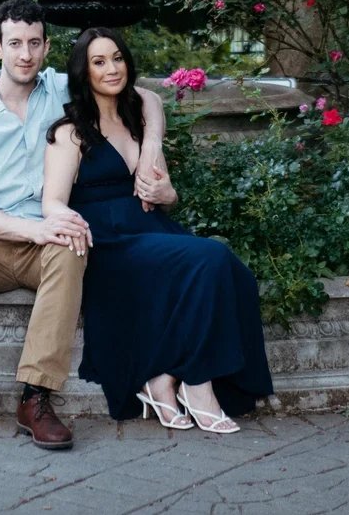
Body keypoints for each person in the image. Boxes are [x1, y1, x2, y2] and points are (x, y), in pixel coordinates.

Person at [0, 0, 168, 449]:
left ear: (46, 47)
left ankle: (36, 396)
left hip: (50, 241)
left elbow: (148, 98)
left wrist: (148, 153)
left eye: (33, 43)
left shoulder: (64, 89)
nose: (24, 54)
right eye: (14, 44)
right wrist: (34, 229)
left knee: (70, 245)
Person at [43, 26, 274, 433]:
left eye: (117, 57)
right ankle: (198, 384)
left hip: (153, 225)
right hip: (110, 240)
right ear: (84, 72)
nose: (111, 68)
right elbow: (53, 202)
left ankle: (163, 380)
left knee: (235, 273)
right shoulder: (70, 132)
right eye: (99, 62)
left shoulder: (140, 112)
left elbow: (164, 187)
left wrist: (168, 192)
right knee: (211, 257)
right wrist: (68, 228)